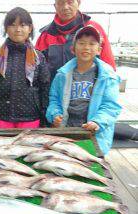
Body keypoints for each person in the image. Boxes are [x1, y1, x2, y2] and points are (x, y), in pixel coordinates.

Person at [46, 25, 122, 154]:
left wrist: (98, 122)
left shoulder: (108, 77)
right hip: (66, 132)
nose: (86, 47)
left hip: (93, 135)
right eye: (81, 43)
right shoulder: (62, 75)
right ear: (73, 49)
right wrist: (55, 114)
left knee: (91, 164)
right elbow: (54, 99)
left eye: (92, 44)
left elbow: (111, 106)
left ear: (99, 50)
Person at [0, 7, 50, 129]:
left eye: (23, 25)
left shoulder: (39, 57)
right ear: (6, 28)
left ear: (30, 28)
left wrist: (45, 119)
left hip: (31, 117)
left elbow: (45, 88)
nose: (18, 29)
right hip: (1, 117)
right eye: (13, 25)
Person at [35, 0, 116, 81]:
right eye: (60, 3)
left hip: (91, 91)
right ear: (55, 6)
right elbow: (36, 70)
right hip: (55, 91)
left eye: (70, 2)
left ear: (79, 3)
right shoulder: (45, 35)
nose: (65, 7)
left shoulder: (95, 29)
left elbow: (109, 68)